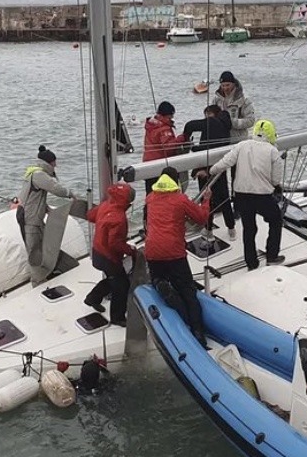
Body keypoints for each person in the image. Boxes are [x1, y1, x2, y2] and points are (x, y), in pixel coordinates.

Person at [201, 119, 284, 271]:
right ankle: (272, 256)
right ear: (272, 135)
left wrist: (210, 171)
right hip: (262, 196)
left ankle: (251, 263)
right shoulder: (272, 151)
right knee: (276, 220)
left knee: (249, 228)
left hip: (242, 196)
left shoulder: (242, 145)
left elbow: (226, 162)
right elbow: (275, 179)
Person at [144, 167, 211, 345]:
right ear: (176, 183)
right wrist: (206, 200)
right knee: (189, 292)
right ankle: (197, 332)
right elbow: (201, 218)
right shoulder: (180, 199)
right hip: (173, 251)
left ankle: (160, 284)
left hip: (152, 250)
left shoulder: (150, 198)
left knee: (160, 279)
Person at [20, 145, 80, 283]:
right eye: (54, 162)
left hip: (32, 216)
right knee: (34, 250)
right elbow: (55, 188)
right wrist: (70, 194)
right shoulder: (38, 175)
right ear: (48, 162)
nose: (56, 165)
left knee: (45, 244)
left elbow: (33, 199)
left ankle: (51, 269)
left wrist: (46, 209)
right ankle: (37, 281)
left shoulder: (32, 173)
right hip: (31, 220)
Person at [84, 182, 136, 326]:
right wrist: (130, 251)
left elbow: (90, 216)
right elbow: (115, 243)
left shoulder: (105, 205)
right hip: (108, 256)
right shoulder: (118, 217)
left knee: (114, 278)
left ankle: (93, 298)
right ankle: (117, 317)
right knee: (122, 284)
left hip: (97, 250)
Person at [182, 104, 236, 238]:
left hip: (206, 168)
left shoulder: (212, 123)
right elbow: (215, 146)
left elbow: (190, 125)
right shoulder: (225, 125)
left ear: (212, 114)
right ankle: (231, 229)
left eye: (207, 115)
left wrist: (186, 140)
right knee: (224, 198)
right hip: (220, 166)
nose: (205, 119)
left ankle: (208, 229)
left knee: (207, 200)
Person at [212, 71, 257, 143]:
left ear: (233, 84)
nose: (225, 88)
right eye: (223, 85)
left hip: (239, 141)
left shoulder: (244, 99)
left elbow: (251, 121)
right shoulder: (216, 99)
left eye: (228, 85)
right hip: (220, 140)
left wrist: (233, 122)